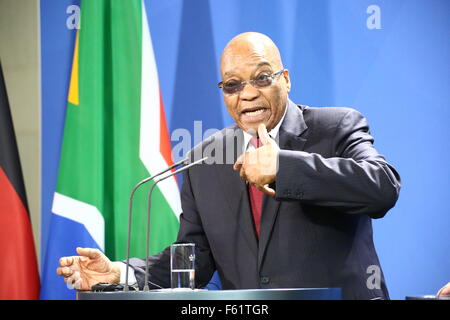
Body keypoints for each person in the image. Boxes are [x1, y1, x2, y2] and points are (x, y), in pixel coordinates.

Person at [57, 32, 401, 300]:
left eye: (262, 78)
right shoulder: (203, 160)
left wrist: (284, 167)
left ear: (286, 79)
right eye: (233, 85)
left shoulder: (336, 127)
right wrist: (120, 273)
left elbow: (383, 187)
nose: (247, 94)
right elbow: (194, 260)